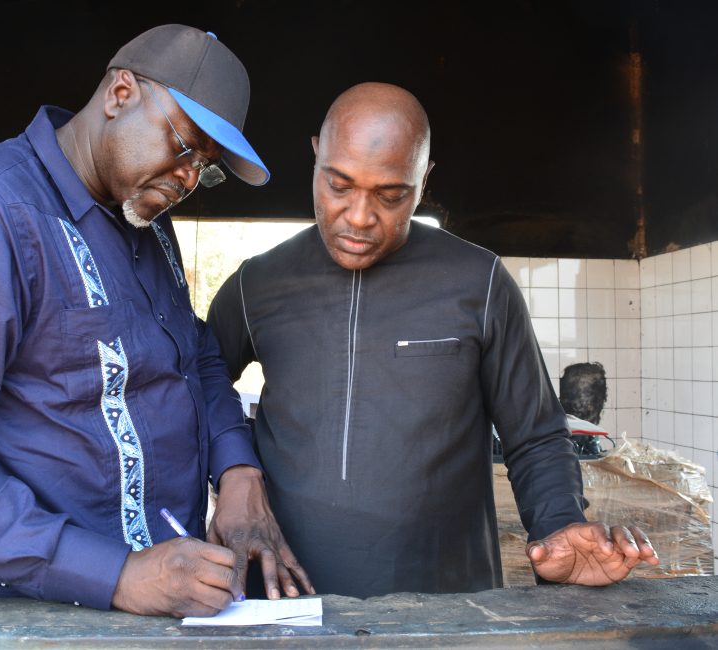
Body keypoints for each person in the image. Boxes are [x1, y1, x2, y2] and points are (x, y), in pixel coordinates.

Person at [0, 25, 312, 617]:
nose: (188, 179)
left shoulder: (145, 220)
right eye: (185, 145)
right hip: (36, 622)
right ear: (120, 94)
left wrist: (238, 470)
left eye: (205, 167)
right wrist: (117, 574)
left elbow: (195, 354)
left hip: (173, 608)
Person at [207, 82, 659, 598]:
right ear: (316, 156)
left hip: (447, 604)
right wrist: (235, 472)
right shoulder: (257, 283)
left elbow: (535, 436)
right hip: (285, 604)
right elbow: (196, 387)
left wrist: (558, 525)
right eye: (338, 184)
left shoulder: (480, 283)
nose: (359, 216)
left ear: (424, 181)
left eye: (391, 195)